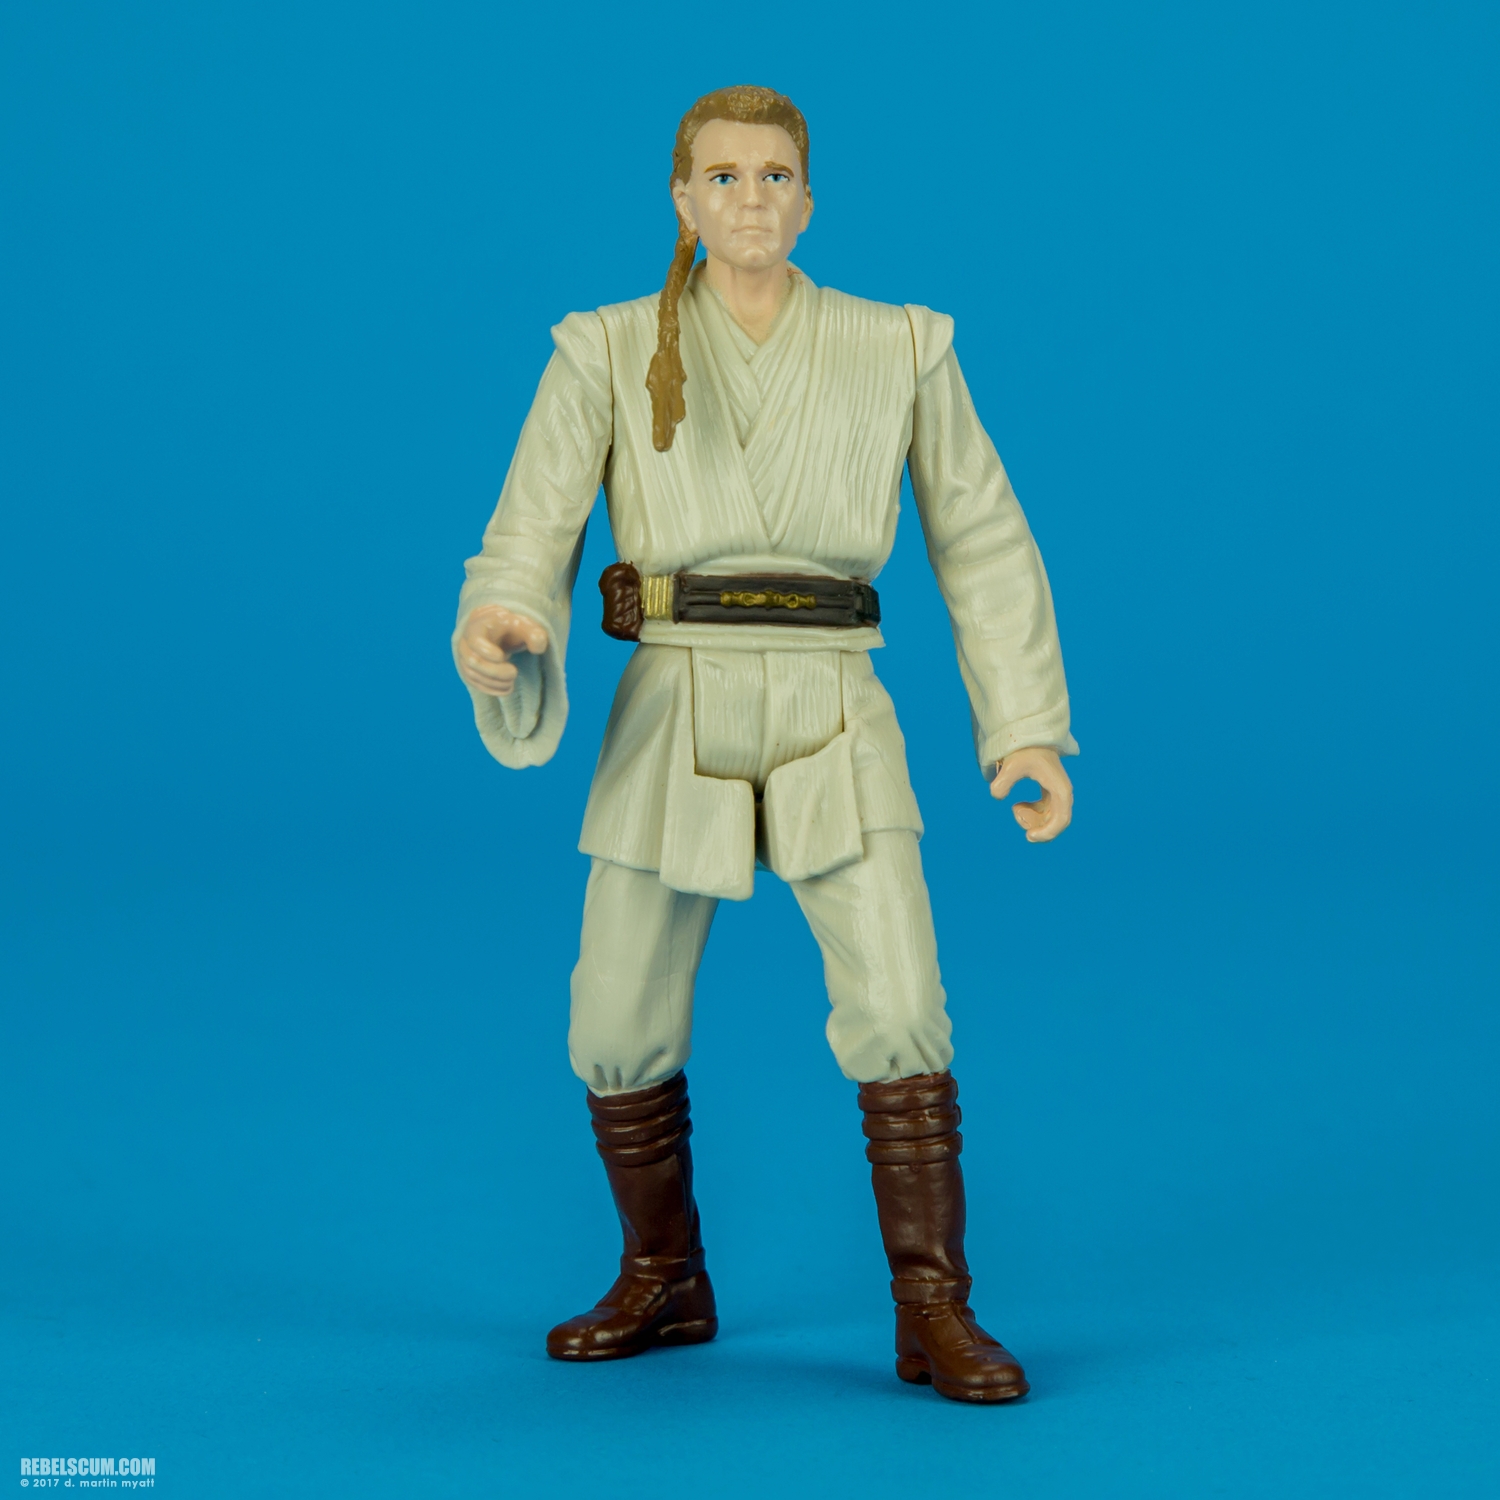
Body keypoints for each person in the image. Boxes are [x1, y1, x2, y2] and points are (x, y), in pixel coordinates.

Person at [452, 85, 1076, 1404]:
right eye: (724, 176)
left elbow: (980, 535)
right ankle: (662, 1274)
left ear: (809, 199)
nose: (751, 199)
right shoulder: (606, 345)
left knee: (900, 1002)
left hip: (832, 696)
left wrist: (1023, 728)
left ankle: (933, 1306)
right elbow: (534, 518)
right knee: (616, 1012)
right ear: (683, 199)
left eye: (775, 175)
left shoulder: (898, 344)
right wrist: (505, 611)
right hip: (673, 694)